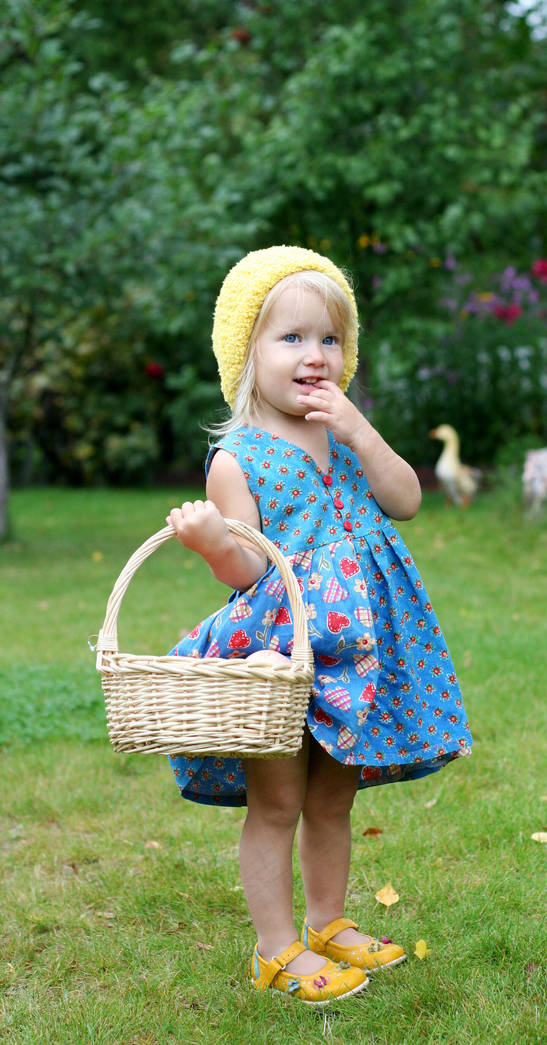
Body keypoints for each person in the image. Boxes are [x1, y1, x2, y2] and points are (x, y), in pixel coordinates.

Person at [167, 246, 473, 1006]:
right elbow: (247, 572)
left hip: (360, 650)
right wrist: (212, 543)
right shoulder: (238, 459)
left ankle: (329, 921)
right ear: (248, 354)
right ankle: (276, 950)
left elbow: (405, 499)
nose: (315, 355)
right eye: (292, 338)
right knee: (277, 802)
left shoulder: (343, 433)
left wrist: (360, 429)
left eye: (330, 340)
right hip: (288, 653)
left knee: (335, 797)